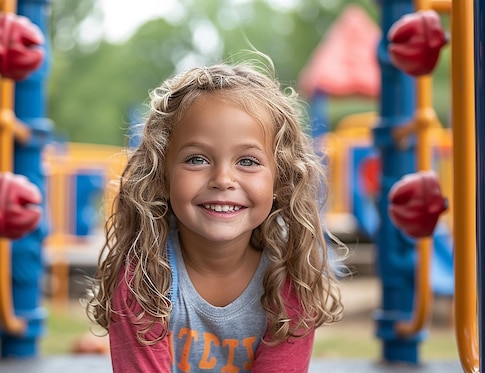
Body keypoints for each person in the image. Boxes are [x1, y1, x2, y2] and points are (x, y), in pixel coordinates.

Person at [87, 53, 345, 372]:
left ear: (280, 179)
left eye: (247, 161)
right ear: (162, 175)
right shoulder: (142, 281)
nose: (223, 179)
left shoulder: (290, 284)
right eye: (197, 159)